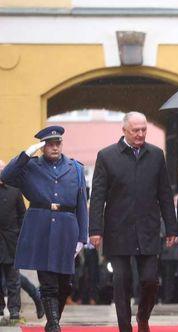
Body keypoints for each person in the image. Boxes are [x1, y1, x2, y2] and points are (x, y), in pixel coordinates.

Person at [89, 112, 177, 332]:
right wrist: (95, 229)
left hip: (148, 228)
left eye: (144, 130)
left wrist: (172, 228)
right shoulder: (107, 156)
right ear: (124, 131)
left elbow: (165, 194)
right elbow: (98, 196)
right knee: (122, 281)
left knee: (150, 280)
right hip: (118, 229)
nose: (140, 134)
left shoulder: (156, 155)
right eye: (135, 130)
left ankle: (143, 316)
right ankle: (124, 327)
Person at [1, 126, 88, 332]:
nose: (55, 147)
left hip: (67, 228)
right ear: (42, 147)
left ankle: (51, 320)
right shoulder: (30, 166)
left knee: (65, 283)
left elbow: (81, 203)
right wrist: (26, 154)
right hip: (41, 226)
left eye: (58, 143)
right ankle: (54, 325)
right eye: (49, 144)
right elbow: (7, 175)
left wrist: (82, 237)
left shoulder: (75, 168)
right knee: (48, 282)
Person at [0, 160, 25, 322]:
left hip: (12, 240)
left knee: (13, 279)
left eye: (2, 169)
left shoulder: (15, 191)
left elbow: (23, 215)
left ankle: (15, 310)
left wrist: (22, 236)